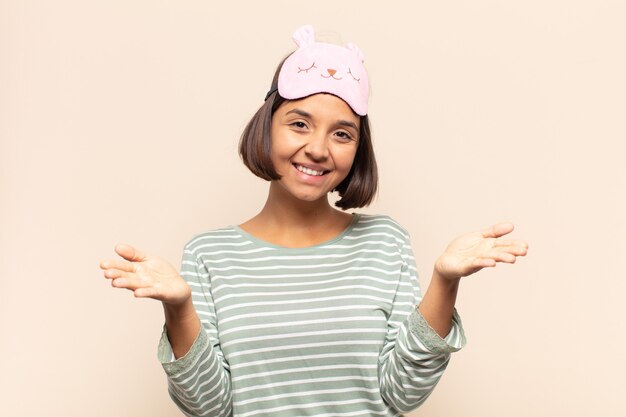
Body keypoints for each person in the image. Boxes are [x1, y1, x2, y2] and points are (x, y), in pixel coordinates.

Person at [100, 25, 528, 417]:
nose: (318, 149)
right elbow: (211, 407)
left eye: (342, 134)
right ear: (266, 128)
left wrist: (444, 281)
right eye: (299, 124)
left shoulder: (385, 242)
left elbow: (402, 392)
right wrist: (178, 308)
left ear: (358, 150)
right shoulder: (209, 254)